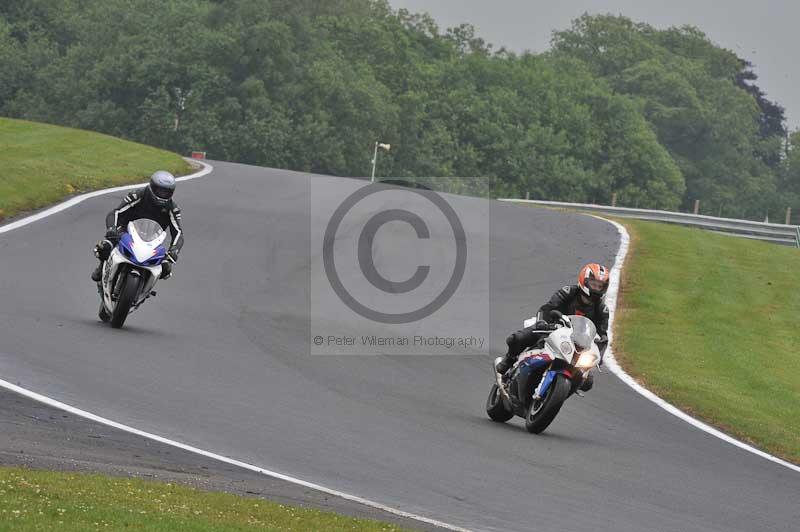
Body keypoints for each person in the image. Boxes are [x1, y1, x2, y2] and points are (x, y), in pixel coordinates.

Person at [494, 263, 611, 390]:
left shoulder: (602, 309)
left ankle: (559, 390)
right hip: (552, 329)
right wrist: (543, 322)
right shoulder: (568, 292)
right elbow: (547, 308)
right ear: (585, 280)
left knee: (587, 382)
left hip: (577, 344)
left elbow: (602, 335)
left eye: (600, 286)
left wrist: (599, 354)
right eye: (594, 284)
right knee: (517, 338)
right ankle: (508, 360)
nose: (596, 289)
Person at [91, 171, 183, 282]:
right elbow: (116, 212)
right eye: (160, 191)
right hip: (126, 231)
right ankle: (102, 268)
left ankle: (146, 286)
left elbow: (178, 232)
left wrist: (174, 250)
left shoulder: (172, 208)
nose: (162, 194)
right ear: (152, 187)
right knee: (105, 247)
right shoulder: (138, 195)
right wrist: (112, 229)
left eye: (166, 192)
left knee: (166, 268)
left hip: (152, 241)